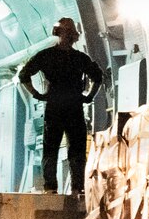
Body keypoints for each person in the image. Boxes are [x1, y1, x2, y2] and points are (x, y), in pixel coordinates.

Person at [17, 16, 103, 197]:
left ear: (57, 33)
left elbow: (24, 75)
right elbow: (98, 77)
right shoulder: (80, 58)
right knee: (76, 150)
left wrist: (37, 94)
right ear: (73, 36)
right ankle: (77, 188)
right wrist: (88, 97)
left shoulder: (46, 56)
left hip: (54, 106)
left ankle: (51, 188)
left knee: (51, 148)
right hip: (74, 108)